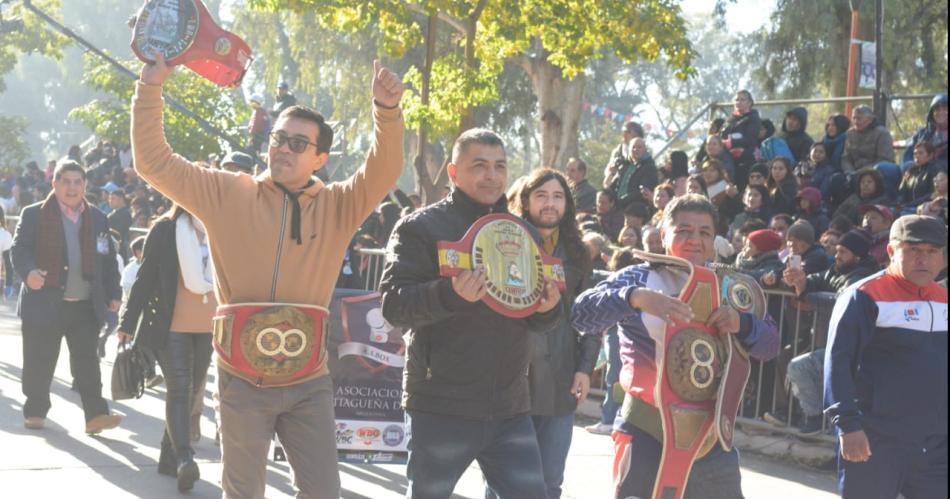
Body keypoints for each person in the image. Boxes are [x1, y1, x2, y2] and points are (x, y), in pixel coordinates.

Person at [132, 54, 405, 498]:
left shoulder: (340, 204)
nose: (283, 147)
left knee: (323, 492)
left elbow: (383, 170)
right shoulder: (226, 191)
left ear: (320, 158)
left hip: (310, 380)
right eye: (278, 138)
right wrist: (150, 86)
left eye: (299, 143)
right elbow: (153, 163)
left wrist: (387, 113)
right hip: (241, 378)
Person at [378, 129, 562, 498]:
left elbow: (536, 317)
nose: (491, 176)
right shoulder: (420, 227)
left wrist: (548, 308)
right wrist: (450, 294)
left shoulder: (524, 233)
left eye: (499, 166)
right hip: (441, 406)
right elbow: (394, 305)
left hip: (510, 408)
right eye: (479, 166)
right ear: (453, 172)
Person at [572, 194, 779, 499]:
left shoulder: (734, 287)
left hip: (711, 436)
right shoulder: (639, 276)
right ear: (663, 234)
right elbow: (580, 315)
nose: (694, 239)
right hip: (645, 427)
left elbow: (771, 346)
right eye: (683, 230)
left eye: (704, 232)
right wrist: (635, 298)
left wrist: (743, 324)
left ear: (714, 239)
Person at [824, 215, 948, 499]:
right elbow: (838, 363)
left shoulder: (943, 299)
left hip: (934, 445)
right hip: (874, 440)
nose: (923, 259)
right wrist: (847, 426)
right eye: (914, 250)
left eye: (932, 252)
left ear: (942, 257)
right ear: (892, 251)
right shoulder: (864, 296)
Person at [496, 168, 598, 499]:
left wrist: (584, 368)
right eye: (541, 196)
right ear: (525, 201)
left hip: (560, 379)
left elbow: (590, 317)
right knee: (503, 483)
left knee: (549, 482)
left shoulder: (579, 253)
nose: (550, 204)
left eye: (557, 196)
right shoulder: (503, 240)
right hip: (511, 377)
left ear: (567, 203)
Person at [10, 161, 123, 434]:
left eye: (77, 182)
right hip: (44, 302)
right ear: (55, 183)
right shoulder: (34, 214)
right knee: (39, 360)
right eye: (66, 181)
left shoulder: (97, 218)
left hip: (84, 304)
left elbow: (107, 260)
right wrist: (28, 273)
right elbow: (19, 249)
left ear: (85, 185)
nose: (72, 188)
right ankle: (35, 411)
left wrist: (114, 294)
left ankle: (95, 416)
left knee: (87, 362)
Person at [116, 205, 217, 492]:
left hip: (208, 325)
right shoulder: (165, 228)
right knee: (179, 388)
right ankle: (186, 458)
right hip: (170, 324)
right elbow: (145, 276)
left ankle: (168, 455)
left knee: (193, 388)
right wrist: (127, 321)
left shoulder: (220, 225)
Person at [778, 229, 879, 435]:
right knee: (798, 367)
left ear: (857, 256)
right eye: (837, 250)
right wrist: (798, 280)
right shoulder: (836, 269)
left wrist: (806, 297)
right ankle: (816, 419)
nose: (837, 255)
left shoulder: (861, 277)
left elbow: (841, 301)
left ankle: (822, 423)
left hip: (854, 352)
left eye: (843, 252)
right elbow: (816, 280)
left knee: (800, 368)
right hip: (833, 346)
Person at [721, 89, 763, 187]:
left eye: (742, 100)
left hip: (745, 159)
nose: (738, 102)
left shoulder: (753, 118)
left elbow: (750, 139)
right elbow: (721, 134)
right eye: (736, 100)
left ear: (749, 103)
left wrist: (731, 143)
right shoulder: (730, 119)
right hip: (727, 157)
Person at [841, 106, 896, 175]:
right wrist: (849, 171)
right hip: (853, 172)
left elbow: (885, 159)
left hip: (875, 172)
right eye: (854, 118)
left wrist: (863, 172)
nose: (856, 121)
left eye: (859, 118)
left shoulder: (882, 133)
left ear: (870, 120)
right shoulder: (850, 134)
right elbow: (846, 158)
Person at [606, 137, 658, 209]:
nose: (635, 150)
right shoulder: (624, 166)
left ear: (645, 150)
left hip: (634, 208)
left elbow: (642, 191)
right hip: (616, 207)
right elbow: (613, 185)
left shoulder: (649, 168)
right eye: (633, 147)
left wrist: (622, 201)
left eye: (639, 147)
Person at [902, 92, 947, 170]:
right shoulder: (922, 133)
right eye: (937, 110)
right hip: (919, 171)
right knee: (884, 168)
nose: (940, 112)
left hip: (942, 174)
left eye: (945, 109)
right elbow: (907, 156)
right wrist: (911, 165)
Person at [898, 142, 940, 214]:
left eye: (920, 153)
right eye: (915, 153)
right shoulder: (910, 172)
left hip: (925, 208)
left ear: (930, 155)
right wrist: (900, 204)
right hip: (907, 207)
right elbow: (901, 193)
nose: (917, 156)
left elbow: (932, 194)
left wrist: (911, 204)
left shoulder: (935, 170)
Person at [604, 121, 646, 189]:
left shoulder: (643, 153)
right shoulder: (618, 150)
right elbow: (609, 172)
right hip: (615, 186)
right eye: (624, 131)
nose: (624, 134)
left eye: (628, 131)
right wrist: (611, 170)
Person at [859, 204, 895, 268]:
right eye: (865, 217)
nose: (867, 220)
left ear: (886, 223)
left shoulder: (890, 244)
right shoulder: (859, 242)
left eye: (873, 218)